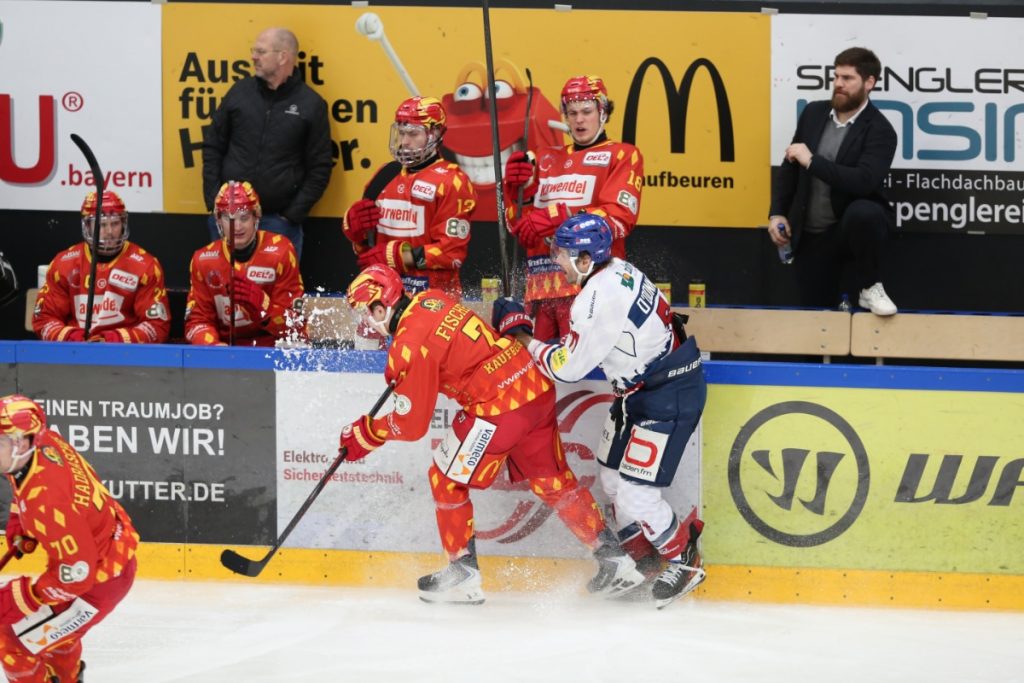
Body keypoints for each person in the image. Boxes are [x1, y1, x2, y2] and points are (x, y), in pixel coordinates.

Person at [339, 264, 643, 605]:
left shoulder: (406, 346)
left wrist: (367, 433)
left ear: (381, 306)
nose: (365, 322)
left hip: (498, 407)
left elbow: (411, 426)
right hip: (533, 385)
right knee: (552, 482)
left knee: (445, 478)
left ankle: (462, 574)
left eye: (366, 312)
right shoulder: (431, 299)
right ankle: (615, 560)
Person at [492, 213, 706, 609]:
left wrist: (523, 337)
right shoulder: (615, 269)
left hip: (666, 393)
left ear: (588, 259)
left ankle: (683, 559)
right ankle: (644, 561)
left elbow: (567, 368)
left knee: (637, 496)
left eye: (564, 253)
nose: (556, 259)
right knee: (611, 480)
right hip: (640, 391)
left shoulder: (597, 298)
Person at [0, 394, 139, 682]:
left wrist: (22, 596)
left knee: (11, 640)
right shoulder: (44, 443)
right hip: (110, 552)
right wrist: (20, 520)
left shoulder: (48, 503)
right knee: (50, 635)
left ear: (23, 443)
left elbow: (77, 576)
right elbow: (27, 487)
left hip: (98, 581)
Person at [502, 75, 644, 341]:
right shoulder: (544, 158)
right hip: (541, 290)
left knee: (588, 375)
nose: (579, 119)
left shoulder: (623, 155)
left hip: (592, 290)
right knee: (539, 373)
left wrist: (558, 216)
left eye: (587, 112)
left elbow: (618, 220)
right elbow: (516, 227)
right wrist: (516, 192)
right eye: (572, 112)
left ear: (603, 113)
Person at [769, 47, 898, 316]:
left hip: (849, 238)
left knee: (865, 211)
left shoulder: (881, 130)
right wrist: (777, 212)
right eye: (836, 76)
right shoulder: (813, 113)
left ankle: (870, 286)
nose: (838, 84)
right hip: (811, 237)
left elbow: (864, 181)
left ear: (869, 83)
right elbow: (790, 166)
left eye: (848, 78)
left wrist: (813, 161)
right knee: (814, 322)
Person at [202, 27, 333, 261]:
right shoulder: (239, 93)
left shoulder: (311, 104)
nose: (254, 57)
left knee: (278, 296)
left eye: (261, 51)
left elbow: (320, 167)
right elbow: (213, 146)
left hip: (278, 223)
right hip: (228, 217)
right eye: (254, 50)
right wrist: (214, 200)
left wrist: (291, 215)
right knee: (224, 292)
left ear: (283, 56)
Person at [342, 96, 476, 298]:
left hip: (432, 299)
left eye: (413, 134)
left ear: (435, 133)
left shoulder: (452, 182)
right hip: (380, 295)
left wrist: (400, 257)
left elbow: (451, 254)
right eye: (402, 133)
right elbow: (365, 250)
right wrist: (354, 231)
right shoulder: (383, 175)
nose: (404, 141)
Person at [33, 191, 170, 344]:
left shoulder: (146, 265)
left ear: (123, 224)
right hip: (74, 353)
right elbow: (43, 318)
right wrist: (72, 338)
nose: (109, 232)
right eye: (101, 224)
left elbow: (157, 326)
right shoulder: (63, 264)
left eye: (115, 223)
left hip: (124, 356)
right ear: (87, 226)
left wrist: (114, 340)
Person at [185, 180, 305, 347]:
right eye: (228, 218)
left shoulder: (281, 251)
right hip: (224, 351)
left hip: (270, 349)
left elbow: (296, 327)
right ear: (218, 221)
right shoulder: (203, 259)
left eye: (244, 217)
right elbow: (197, 321)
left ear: (256, 217)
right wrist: (212, 347)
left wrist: (264, 306)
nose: (237, 226)